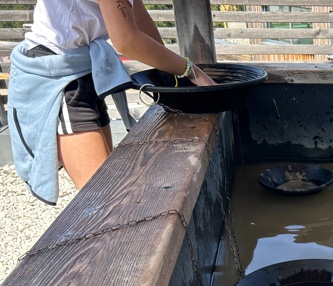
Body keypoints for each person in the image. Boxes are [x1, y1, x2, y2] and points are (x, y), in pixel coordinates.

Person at [7, 0, 216, 204]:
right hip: (58, 74)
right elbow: (126, 40)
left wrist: (171, 76)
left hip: (84, 66)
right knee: (104, 197)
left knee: (110, 179)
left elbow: (138, 19)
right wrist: (190, 70)